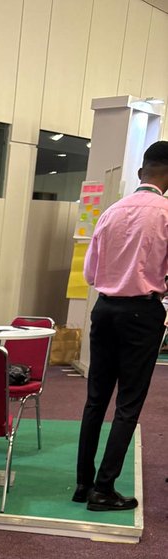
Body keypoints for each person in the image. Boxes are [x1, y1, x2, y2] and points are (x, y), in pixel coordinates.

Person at [74, 140, 168, 512]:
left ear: (142, 172)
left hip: (105, 309)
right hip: (141, 314)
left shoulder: (111, 211)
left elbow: (91, 273)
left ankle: (83, 483)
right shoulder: (165, 213)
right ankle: (104, 488)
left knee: (95, 398)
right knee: (128, 403)